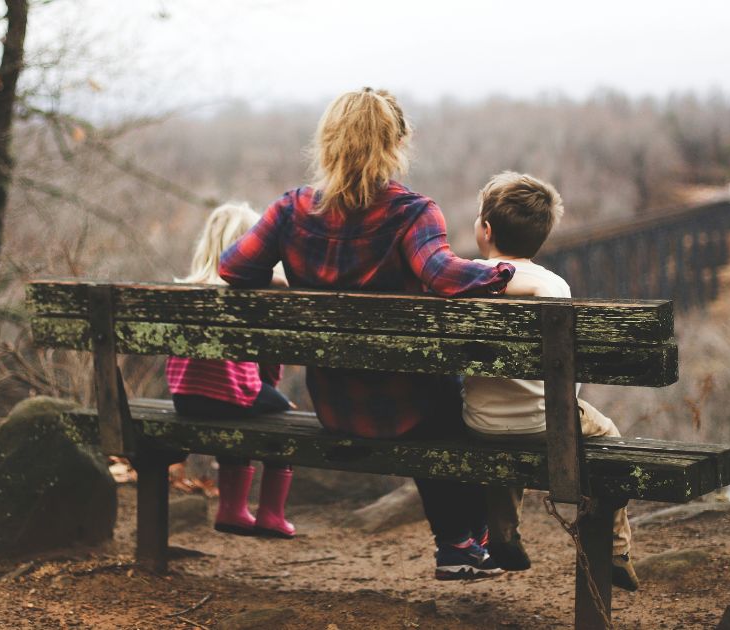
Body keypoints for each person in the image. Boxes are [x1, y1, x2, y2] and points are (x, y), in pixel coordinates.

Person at [219, 88, 515, 580]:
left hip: (336, 406)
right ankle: (462, 542)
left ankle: (465, 544)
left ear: (328, 142)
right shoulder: (412, 213)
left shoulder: (290, 210)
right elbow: (443, 275)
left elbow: (233, 268)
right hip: (409, 408)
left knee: (437, 396)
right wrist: (503, 272)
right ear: (397, 143)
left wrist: (282, 281)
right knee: (453, 398)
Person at [462, 170, 641, 591]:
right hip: (548, 423)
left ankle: (503, 533)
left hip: (480, 423)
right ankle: (616, 549)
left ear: (485, 230)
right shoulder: (553, 286)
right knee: (608, 436)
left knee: (505, 430)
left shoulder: (464, 279)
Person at [166, 202, 297, 539]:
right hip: (230, 395)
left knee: (239, 407)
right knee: (283, 417)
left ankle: (232, 509)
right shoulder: (249, 293)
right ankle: (270, 514)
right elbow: (268, 361)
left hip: (185, 398)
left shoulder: (186, 290)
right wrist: (273, 391)